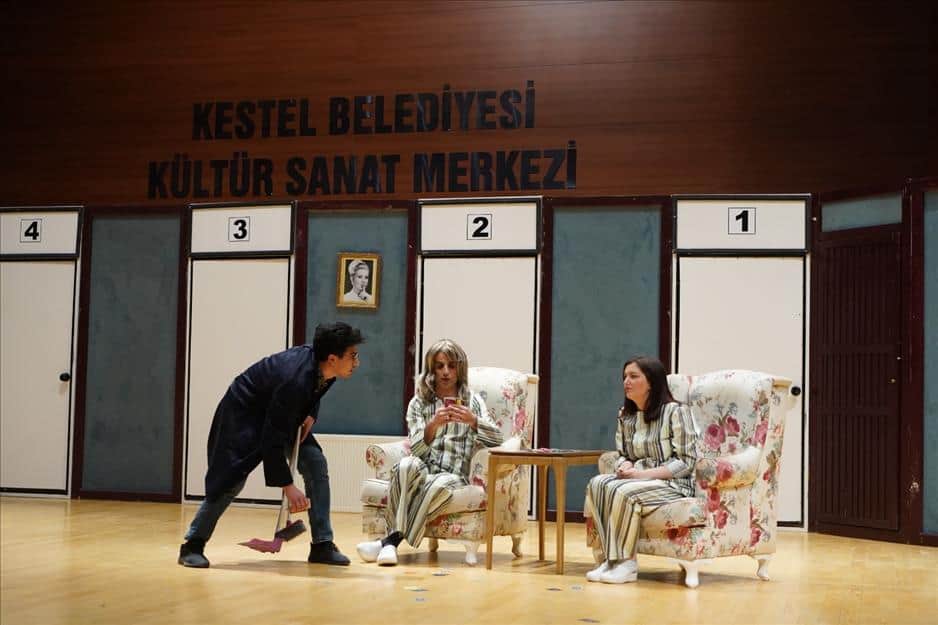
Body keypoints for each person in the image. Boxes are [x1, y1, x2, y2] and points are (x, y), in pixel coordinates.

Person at [177, 321, 365, 569]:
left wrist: (311, 413)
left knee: (315, 462)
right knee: (230, 479)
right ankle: (192, 545)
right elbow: (272, 437)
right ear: (332, 358)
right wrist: (288, 486)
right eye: (353, 356)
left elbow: (313, 391)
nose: (356, 362)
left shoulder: (324, 369)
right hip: (244, 412)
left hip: (282, 411)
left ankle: (322, 544)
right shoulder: (295, 380)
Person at [355, 339, 503, 566]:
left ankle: (388, 542)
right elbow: (414, 449)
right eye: (439, 366)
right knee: (405, 465)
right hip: (423, 468)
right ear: (431, 369)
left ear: (460, 369)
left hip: (453, 475)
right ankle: (388, 544)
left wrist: (473, 421)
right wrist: (432, 425)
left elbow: (497, 439)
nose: (445, 372)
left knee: (437, 485)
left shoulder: (472, 402)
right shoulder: (419, 403)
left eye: (451, 366)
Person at [583, 356, 698, 584]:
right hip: (638, 479)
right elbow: (623, 454)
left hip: (673, 484)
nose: (626, 381)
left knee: (623, 491)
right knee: (597, 483)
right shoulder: (626, 416)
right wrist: (624, 464)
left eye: (634, 376)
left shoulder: (676, 412)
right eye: (625, 376)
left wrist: (642, 475)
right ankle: (610, 560)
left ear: (652, 382)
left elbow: (686, 462)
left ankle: (626, 564)